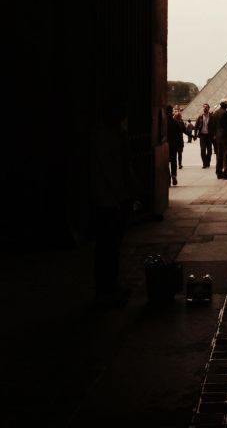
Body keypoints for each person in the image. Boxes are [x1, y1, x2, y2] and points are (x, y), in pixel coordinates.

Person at [90, 97, 139, 306]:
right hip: (110, 199)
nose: (125, 114)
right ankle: (106, 289)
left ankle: (108, 287)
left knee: (110, 247)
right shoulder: (109, 137)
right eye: (122, 110)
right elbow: (114, 170)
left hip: (109, 197)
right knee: (108, 247)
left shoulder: (106, 134)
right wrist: (125, 193)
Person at [211, 100, 227, 179]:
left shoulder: (215, 113)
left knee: (219, 155)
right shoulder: (226, 113)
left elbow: (212, 125)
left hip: (218, 137)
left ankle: (218, 172)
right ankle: (226, 172)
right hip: (226, 137)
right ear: (226, 105)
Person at [166, 105, 184, 186]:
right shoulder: (175, 122)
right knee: (174, 161)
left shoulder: (163, 122)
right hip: (174, 145)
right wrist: (181, 145)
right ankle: (174, 175)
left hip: (165, 145)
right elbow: (180, 135)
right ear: (171, 112)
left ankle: (168, 178)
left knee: (165, 163)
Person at [194, 103, 214, 168]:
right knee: (203, 150)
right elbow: (196, 126)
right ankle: (204, 163)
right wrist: (195, 135)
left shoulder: (212, 116)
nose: (205, 108)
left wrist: (215, 134)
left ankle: (208, 162)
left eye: (206, 107)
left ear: (208, 108)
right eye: (204, 107)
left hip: (209, 135)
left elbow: (215, 126)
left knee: (209, 150)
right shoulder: (200, 117)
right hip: (202, 135)